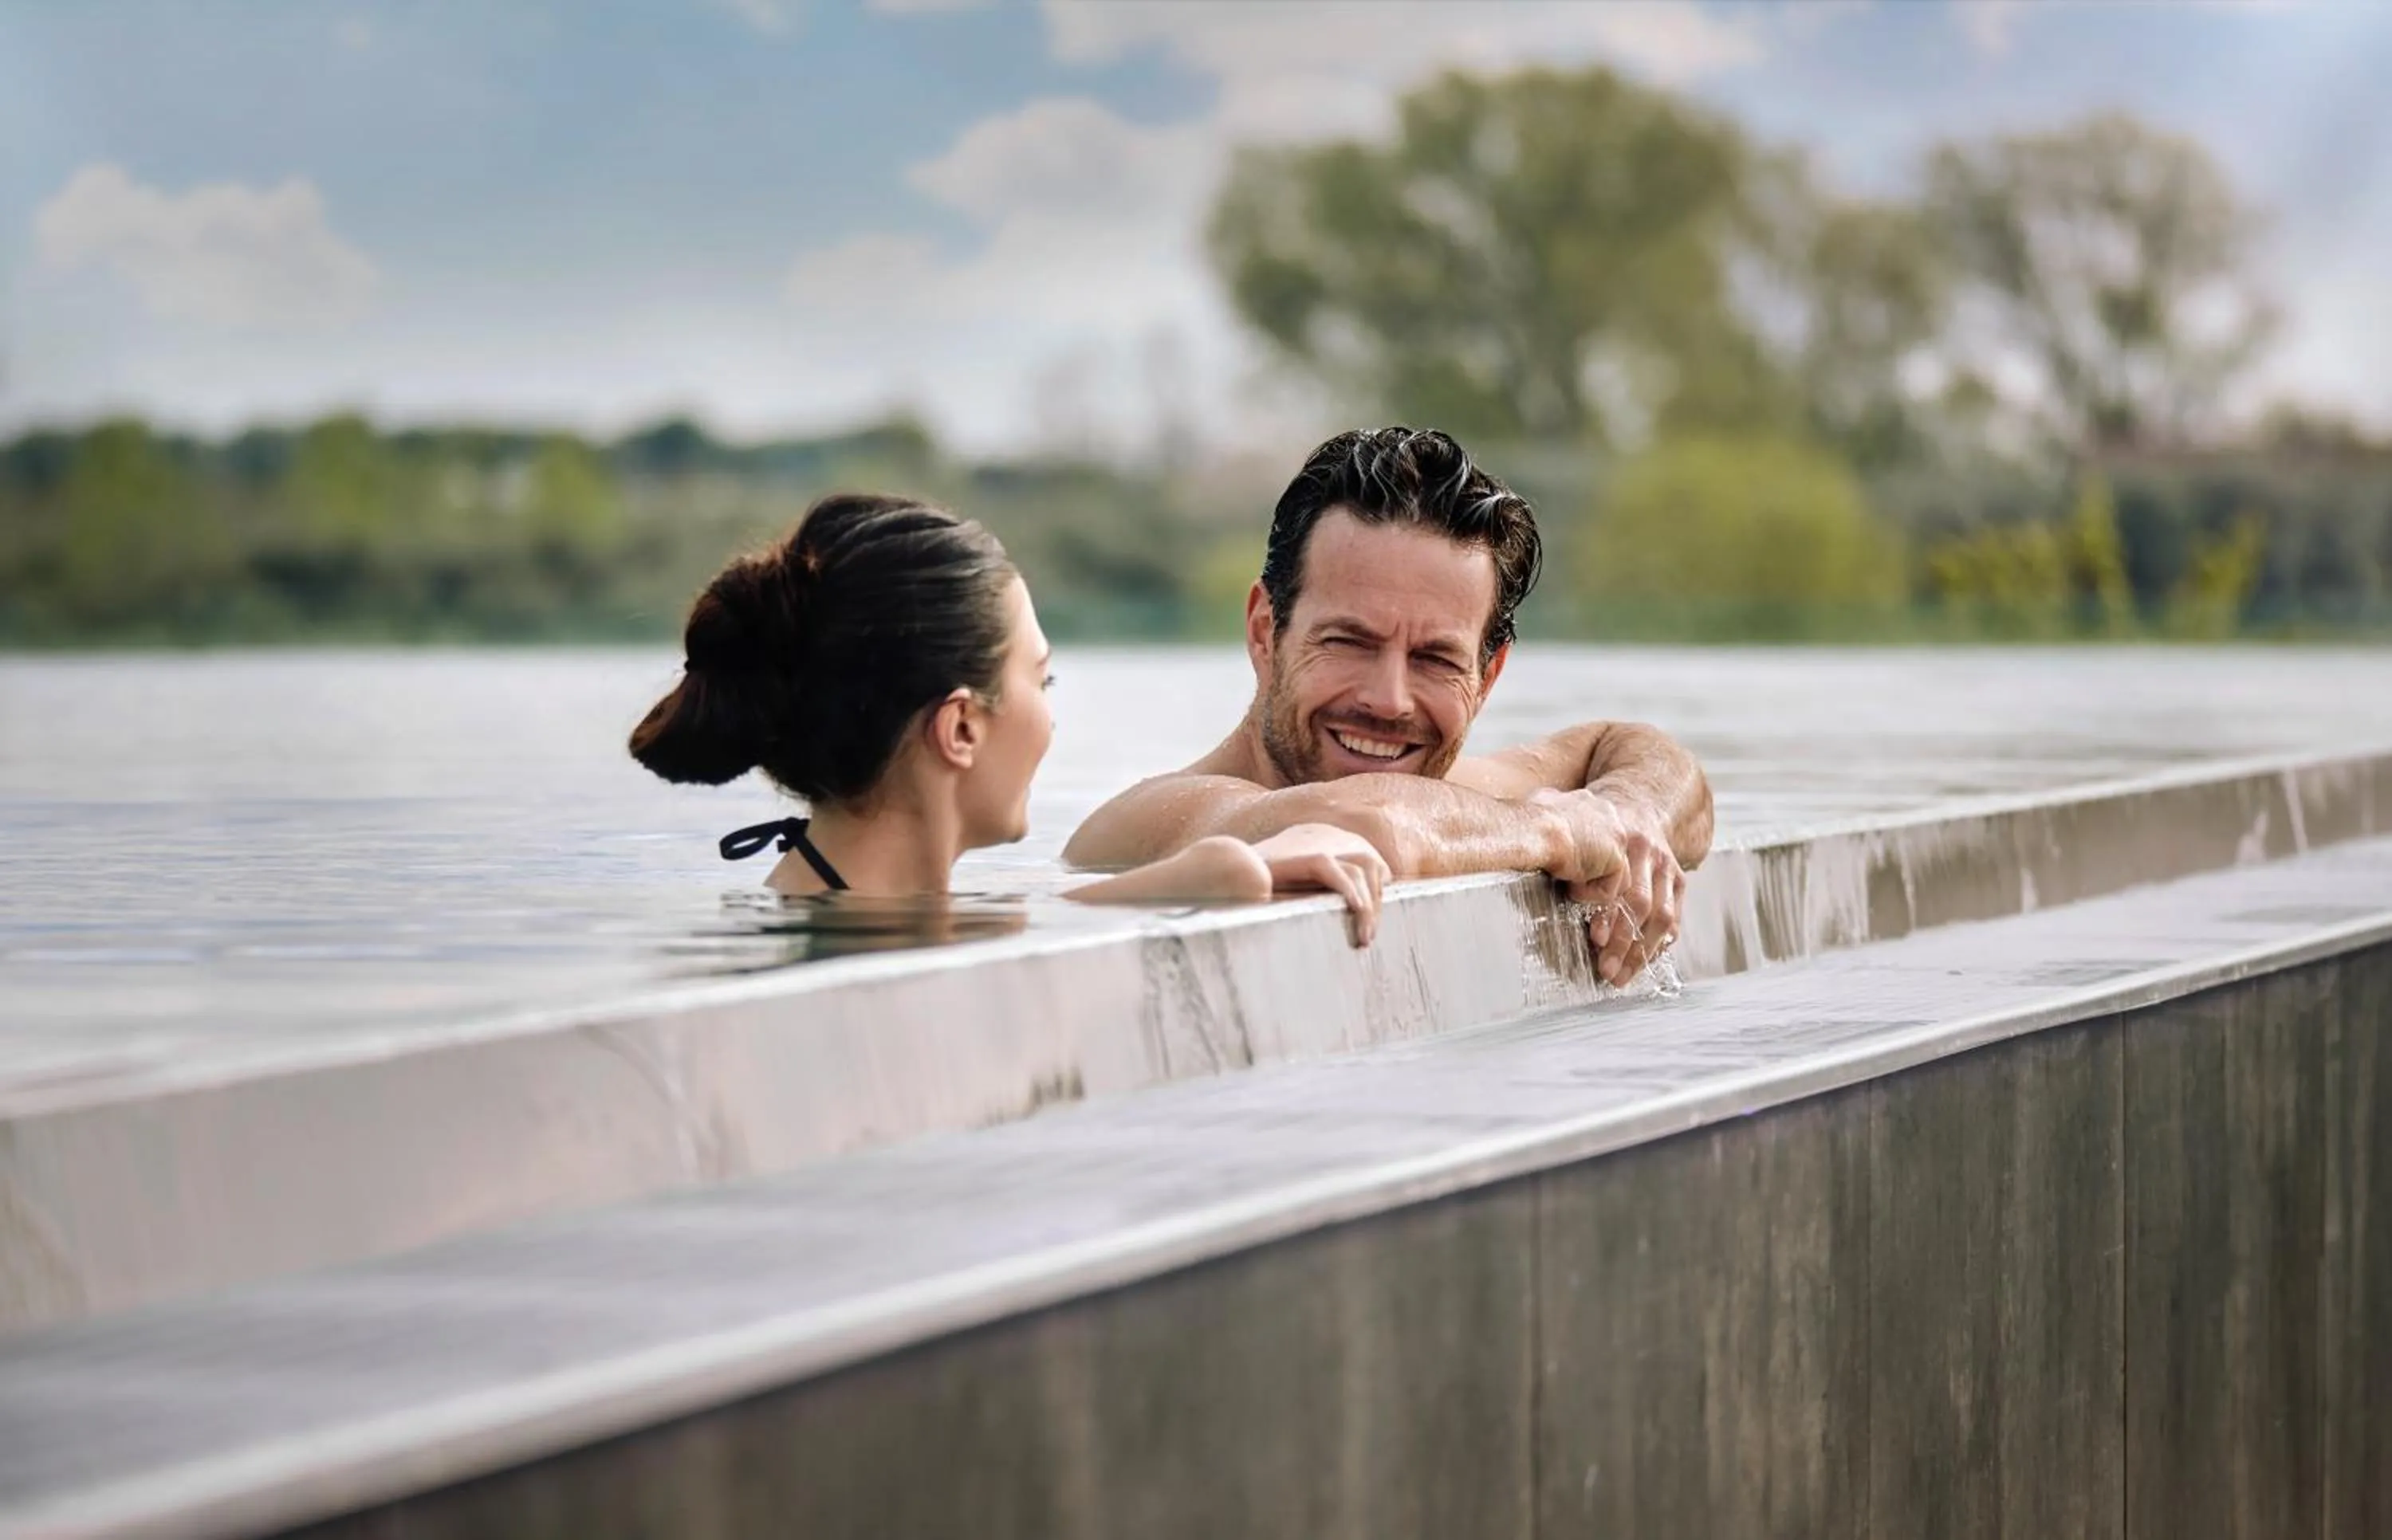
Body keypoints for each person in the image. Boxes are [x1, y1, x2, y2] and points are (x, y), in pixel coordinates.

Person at [1064, 426, 1713, 984]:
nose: (1389, 700)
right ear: (1266, 632)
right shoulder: (1149, 823)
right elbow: (1371, 824)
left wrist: (1630, 815)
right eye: (1348, 641)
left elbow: (1632, 748)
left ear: (1487, 678)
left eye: (1436, 660)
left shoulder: (1464, 799)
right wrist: (1559, 831)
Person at [629, 493, 1390, 942]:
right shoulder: (849, 951)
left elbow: (981, 936)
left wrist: (1212, 873)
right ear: (960, 728)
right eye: (1041, 679)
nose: (1052, 722)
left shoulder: (834, 913)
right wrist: (1218, 869)